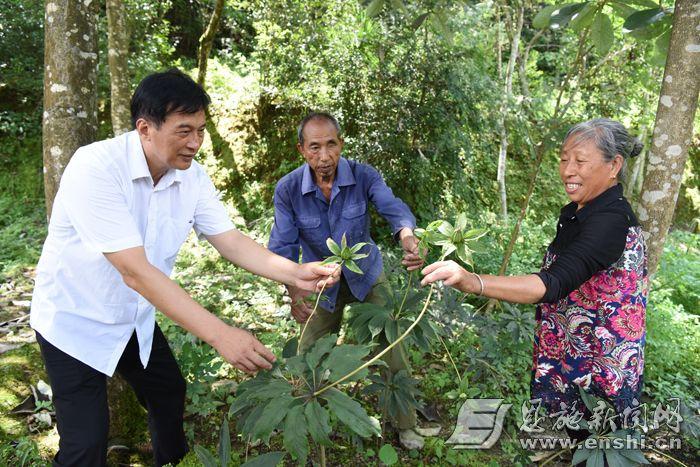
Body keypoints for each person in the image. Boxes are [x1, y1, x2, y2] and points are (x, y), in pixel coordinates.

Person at [29, 69, 337, 467]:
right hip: (74, 321)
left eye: (202, 130)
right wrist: (222, 335)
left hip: (132, 317)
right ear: (145, 128)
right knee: (86, 444)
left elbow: (230, 241)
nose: (196, 143)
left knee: (168, 392)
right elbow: (135, 271)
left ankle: (171, 462)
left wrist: (295, 273)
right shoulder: (96, 168)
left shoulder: (191, 177)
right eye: (184, 131)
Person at [421, 119, 647, 441]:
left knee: (597, 451)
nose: (568, 170)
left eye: (580, 161)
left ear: (614, 166)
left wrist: (472, 281)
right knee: (576, 443)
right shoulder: (581, 211)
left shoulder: (610, 220)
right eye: (564, 158)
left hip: (599, 372)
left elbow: (549, 285)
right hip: (576, 356)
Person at [268, 112, 428, 448]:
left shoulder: (362, 175)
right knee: (307, 352)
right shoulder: (288, 190)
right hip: (318, 281)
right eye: (314, 148)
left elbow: (392, 207)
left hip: (366, 272)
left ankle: (405, 423)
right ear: (302, 150)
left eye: (331, 145)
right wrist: (294, 292)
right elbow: (282, 248)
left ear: (341, 144)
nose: (324, 156)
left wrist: (407, 236)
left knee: (392, 342)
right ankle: (306, 423)